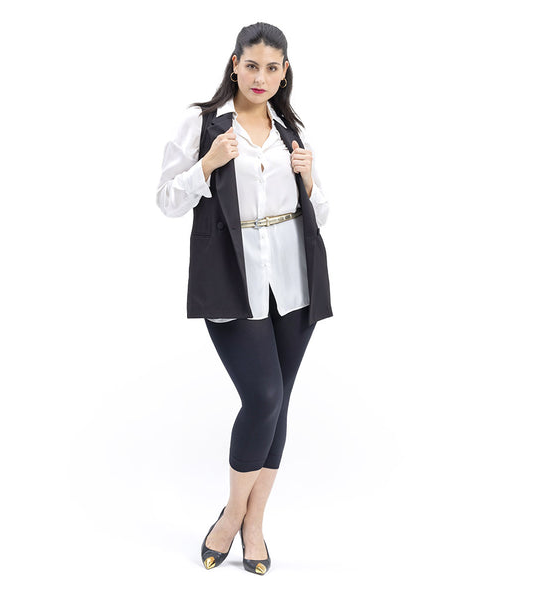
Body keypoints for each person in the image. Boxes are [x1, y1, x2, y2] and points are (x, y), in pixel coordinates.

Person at [155, 22, 333, 575]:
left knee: (279, 401)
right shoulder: (203, 123)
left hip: (294, 280)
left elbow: (322, 214)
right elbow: (166, 200)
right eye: (252, 65)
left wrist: (310, 180)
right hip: (233, 278)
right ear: (235, 64)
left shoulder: (291, 131)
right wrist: (207, 164)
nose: (261, 77)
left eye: (272, 68)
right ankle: (232, 515)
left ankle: (254, 524)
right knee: (263, 395)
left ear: (285, 72)